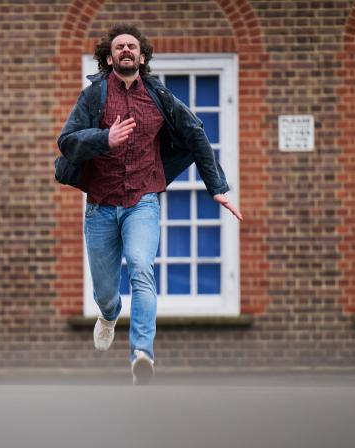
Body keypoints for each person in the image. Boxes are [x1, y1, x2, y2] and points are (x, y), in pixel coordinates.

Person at [56, 24, 242, 385]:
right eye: (119, 47)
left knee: (141, 267)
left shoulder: (158, 96)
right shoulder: (93, 97)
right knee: (107, 292)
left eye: (132, 46)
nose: (126, 50)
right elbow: (67, 142)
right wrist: (103, 138)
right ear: (109, 58)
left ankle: (142, 353)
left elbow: (196, 134)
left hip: (143, 200)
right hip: (101, 205)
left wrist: (216, 186)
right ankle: (108, 316)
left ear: (142, 56)